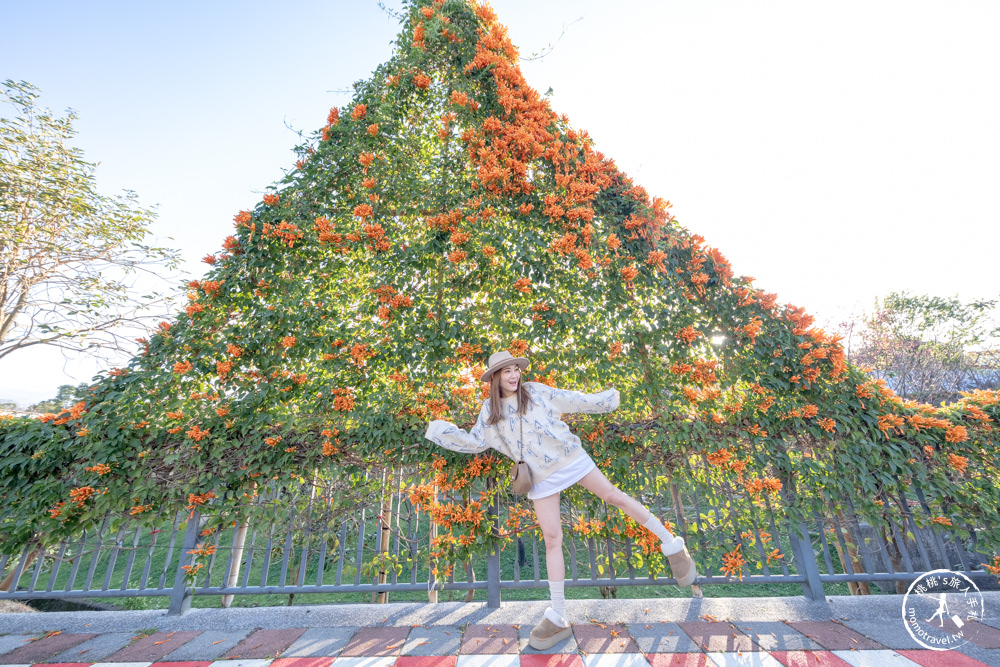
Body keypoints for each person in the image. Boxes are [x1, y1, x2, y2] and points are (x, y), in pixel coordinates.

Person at [425, 351, 698, 649]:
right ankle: (558, 615)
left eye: (516, 369)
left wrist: (606, 400)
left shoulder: (536, 391)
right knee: (552, 539)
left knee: (614, 496)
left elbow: (575, 400)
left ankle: (673, 545)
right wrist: (440, 430)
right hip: (540, 477)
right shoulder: (490, 412)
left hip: (570, 458)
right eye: (507, 372)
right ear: (495, 378)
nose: (514, 375)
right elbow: (475, 441)